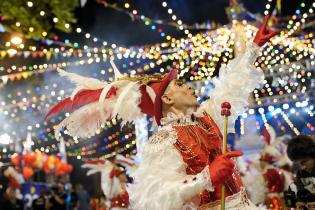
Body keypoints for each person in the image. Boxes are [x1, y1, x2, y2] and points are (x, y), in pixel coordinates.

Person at [46, 15, 278, 209]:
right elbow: (155, 195)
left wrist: (253, 50)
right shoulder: (165, 139)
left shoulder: (206, 118)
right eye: (180, 85)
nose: (189, 87)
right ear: (166, 98)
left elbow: (231, 87)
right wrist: (206, 178)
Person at [287, 135, 315, 210]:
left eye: (304, 162)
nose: (302, 167)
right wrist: (301, 204)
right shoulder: (300, 174)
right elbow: (301, 194)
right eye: (298, 164)